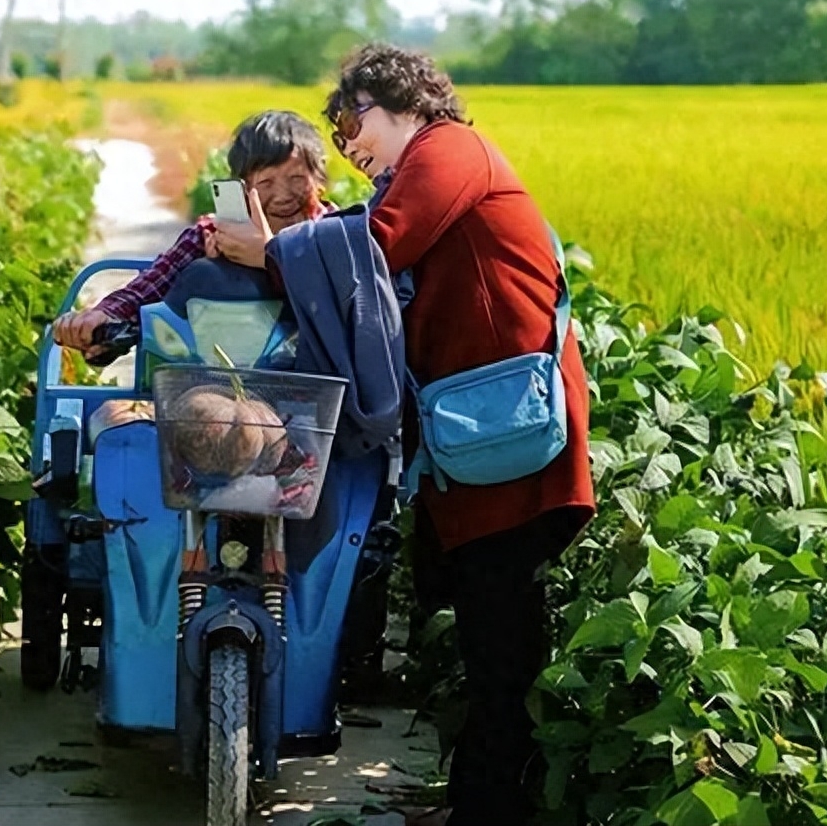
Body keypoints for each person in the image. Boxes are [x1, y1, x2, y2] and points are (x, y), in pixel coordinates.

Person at [218, 43, 596, 826]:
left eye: (353, 121)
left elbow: (373, 247)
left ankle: (495, 807)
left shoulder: (447, 150)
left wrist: (274, 251)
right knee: (490, 623)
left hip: (500, 425)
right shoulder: (424, 162)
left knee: (502, 631)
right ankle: (482, 799)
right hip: (478, 426)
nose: (349, 143)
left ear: (401, 102)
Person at [51, 110, 336, 361]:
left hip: (312, 379)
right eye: (266, 183)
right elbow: (151, 284)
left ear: (320, 180)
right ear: (242, 188)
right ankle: (117, 339)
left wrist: (271, 258)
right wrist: (107, 314)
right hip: (218, 378)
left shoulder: (338, 235)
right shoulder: (214, 234)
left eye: (297, 179)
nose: (283, 194)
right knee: (204, 273)